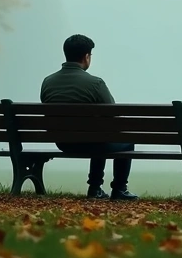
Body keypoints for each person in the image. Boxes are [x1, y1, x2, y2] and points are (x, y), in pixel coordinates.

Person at [41, 34, 138, 200]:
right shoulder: (95, 83)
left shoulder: (48, 82)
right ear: (86, 57)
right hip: (91, 143)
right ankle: (118, 189)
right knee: (122, 140)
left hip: (63, 143)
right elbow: (113, 114)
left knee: (98, 136)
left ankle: (96, 188)